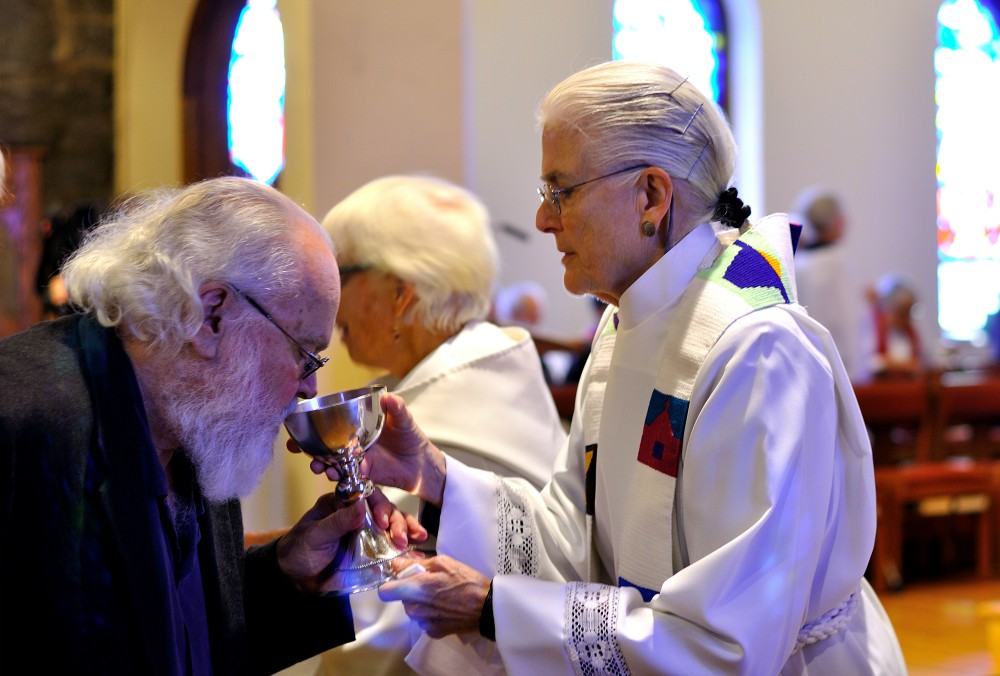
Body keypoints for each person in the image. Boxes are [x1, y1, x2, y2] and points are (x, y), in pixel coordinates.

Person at [335, 61, 907, 674]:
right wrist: (437, 475)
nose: (543, 219)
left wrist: (493, 608)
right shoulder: (620, 328)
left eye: (562, 191)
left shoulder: (757, 351)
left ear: (652, 197)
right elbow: (575, 541)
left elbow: (727, 644)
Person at [0, 176, 425, 675]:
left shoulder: (200, 422)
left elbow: (178, 636)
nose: (310, 388)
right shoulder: (20, 421)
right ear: (212, 314)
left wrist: (287, 574)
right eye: (305, 353)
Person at [313, 174, 566, 674]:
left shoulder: (448, 419)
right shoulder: (485, 369)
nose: (327, 295)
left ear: (401, 294)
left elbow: (388, 619)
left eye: (340, 271)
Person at [792, 187, 868, 383]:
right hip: (840, 371)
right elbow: (848, 323)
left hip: (806, 368)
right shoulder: (836, 264)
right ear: (836, 222)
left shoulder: (798, 263)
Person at [866, 273, 924, 379]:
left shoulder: (911, 332)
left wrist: (892, 363)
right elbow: (871, 363)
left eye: (907, 313)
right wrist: (903, 365)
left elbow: (919, 364)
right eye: (901, 312)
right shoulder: (875, 326)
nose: (904, 319)